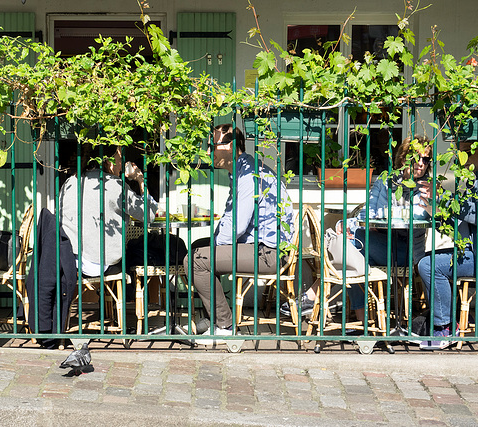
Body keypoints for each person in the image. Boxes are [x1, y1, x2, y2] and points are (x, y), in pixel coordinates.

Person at [282, 136, 433, 323]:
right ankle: (361, 322)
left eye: (425, 160)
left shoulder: (429, 188)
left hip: (405, 251)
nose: (421, 164)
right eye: (415, 157)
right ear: (403, 159)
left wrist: (379, 218)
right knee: (353, 256)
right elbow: (365, 215)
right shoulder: (386, 182)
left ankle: (315, 297)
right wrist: (344, 225)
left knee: (352, 246)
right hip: (376, 245)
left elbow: (417, 215)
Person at [185, 124, 295, 344]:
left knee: (196, 260)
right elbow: (230, 219)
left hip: (269, 252)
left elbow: (236, 226)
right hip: (259, 245)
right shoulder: (242, 170)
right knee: (199, 246)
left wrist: (215, 244)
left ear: (230, 146)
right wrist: (214, 242)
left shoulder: (248, 175)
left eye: (212, 145)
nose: (208, 152)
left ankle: (223, 326)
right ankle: (212, 317)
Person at [59, 144, 157, 277]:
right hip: (98, 264)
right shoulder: (115, 185)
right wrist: (140, 180)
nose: (121, 165)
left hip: (69, 261)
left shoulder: (70, 182)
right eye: (120, 159)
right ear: (109, 162)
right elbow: (149, 214)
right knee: (134, 254)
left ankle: (103, 297)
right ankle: (126, 296)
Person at [417, 175, 477, 350]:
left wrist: (443, 197)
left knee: (430, 265)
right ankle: (449, 321)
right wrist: (437, 214)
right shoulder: (473, 182)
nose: (461, 154)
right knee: (426, 261)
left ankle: (445, 328)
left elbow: (473, 214)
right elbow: (460, 223)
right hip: (468, 251)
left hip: (473, 254)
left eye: (466, 150)